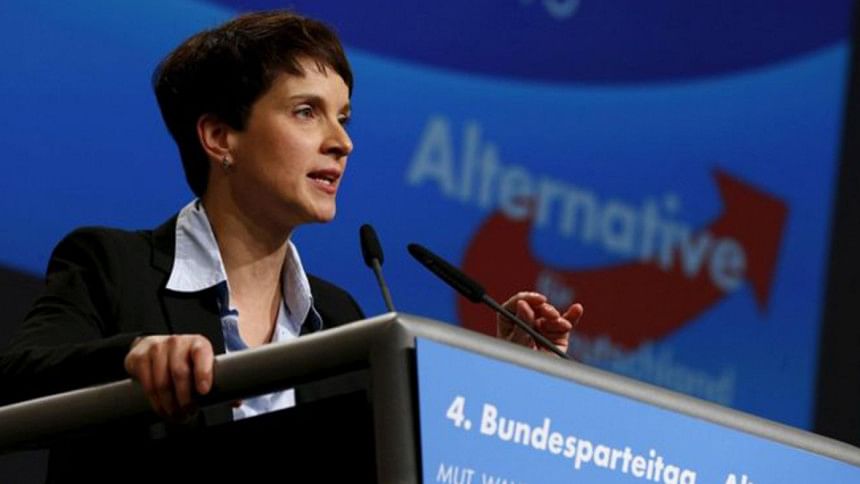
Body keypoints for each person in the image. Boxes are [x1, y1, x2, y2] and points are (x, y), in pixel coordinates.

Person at [0, 11, 582, 426]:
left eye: (343, 118)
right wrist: (132, 356)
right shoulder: (112, 266)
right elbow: (16, 376)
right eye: (307, 112)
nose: (342, 143)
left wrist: (506, 375)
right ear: (219, 136)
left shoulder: (340, 319)